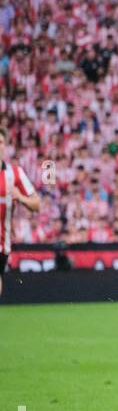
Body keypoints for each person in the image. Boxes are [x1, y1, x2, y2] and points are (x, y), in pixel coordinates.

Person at [0, 126, 40, 298]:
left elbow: (36, 204)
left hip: (2, 241)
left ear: (5, 146)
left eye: (0, 142)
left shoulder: (14, 173)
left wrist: (20, 198)